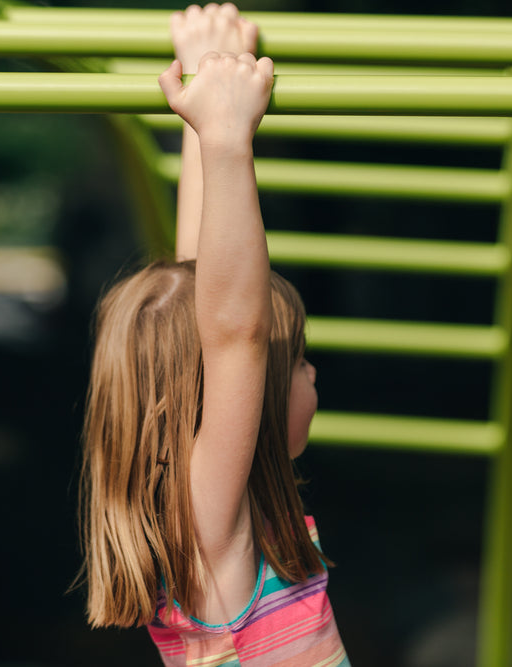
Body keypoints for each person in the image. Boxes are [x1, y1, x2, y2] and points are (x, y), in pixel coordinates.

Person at [76, 4, 349, 664]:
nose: (311, 373)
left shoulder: (218, 519)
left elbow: (208, 288)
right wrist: (227, 138)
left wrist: (204, 81)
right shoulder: (209, 530)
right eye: (296, 359)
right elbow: (232, 330)